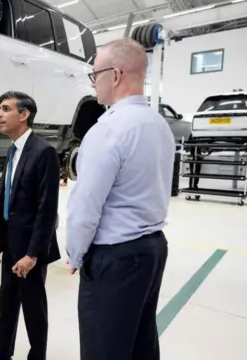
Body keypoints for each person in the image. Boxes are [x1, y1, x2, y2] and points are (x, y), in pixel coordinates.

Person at [66, 38, 174, 360]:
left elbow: (85, 207)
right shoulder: (159, 125)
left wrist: (75, 254)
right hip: (152, 249)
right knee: (140, 344)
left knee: (105, 349)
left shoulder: (108, 130)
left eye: (94, 74)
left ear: (114, 75)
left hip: (116, 257)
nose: (93, 83)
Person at [0, 91, 61, 360]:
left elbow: (47, 209)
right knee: (7, 304)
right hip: (10, 242)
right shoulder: (12, 150)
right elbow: (8, 199)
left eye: (5, 109)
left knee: (33, 308)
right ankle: (1, 354)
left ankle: (37, 355)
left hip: (31, 247)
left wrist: (33, 254)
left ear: (24, 114)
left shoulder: (44, 152)